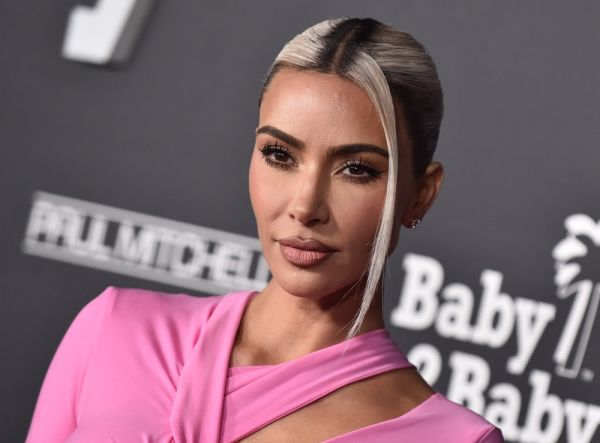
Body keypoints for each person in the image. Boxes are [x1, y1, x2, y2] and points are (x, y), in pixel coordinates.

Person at [26, 17, 504, 443]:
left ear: (421, 194)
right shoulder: (116, 327)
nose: (305, 206)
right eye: (280, 155)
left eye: (356, 169)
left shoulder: (451, 439)